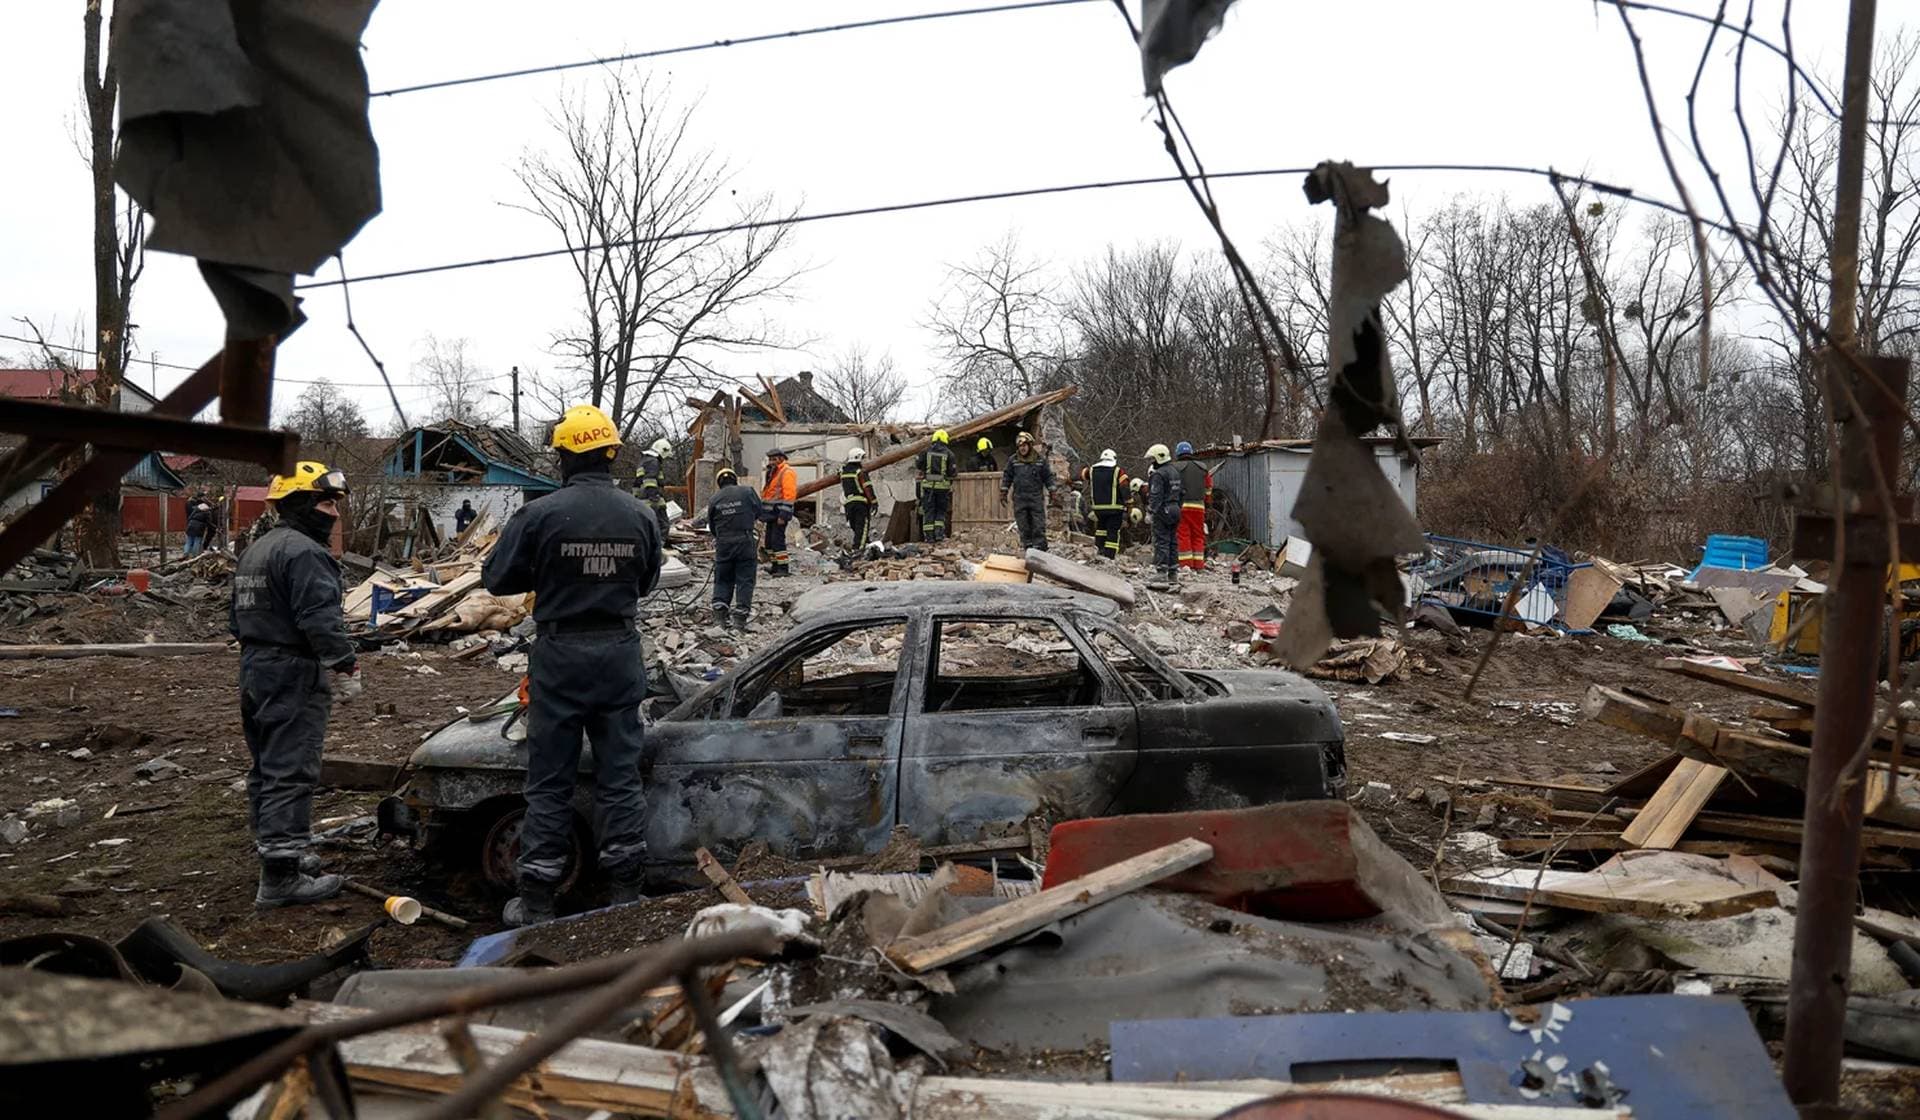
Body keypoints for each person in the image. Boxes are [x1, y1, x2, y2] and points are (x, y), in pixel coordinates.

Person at [482, 405, 663, 927]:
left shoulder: (540, 514)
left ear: (563, 455)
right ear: (611, 453)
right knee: (620, 775)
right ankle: (626, 892)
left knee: (550, 779)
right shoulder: (640, 514)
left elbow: (496, 579)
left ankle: (538, 896)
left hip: (561, 656)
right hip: (618, 653)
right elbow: (646, 582)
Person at [230, 461, 359, 909]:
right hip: (291, 670)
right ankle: (281, 876)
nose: (334, 514)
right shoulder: (306, 553)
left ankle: (275, 851)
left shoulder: (257, 549)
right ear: (301, 503)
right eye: (326, 502)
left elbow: (235, 619)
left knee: (266, 765)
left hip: (255, 665)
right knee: (291, 767)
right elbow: (319, 619)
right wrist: (344, 665)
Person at [704, 465, 763, 629]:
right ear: (734, 480)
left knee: (723, 578)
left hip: (724, 544)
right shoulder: (747, 491)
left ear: (719, 483)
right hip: (745, 541)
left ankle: (720, 617)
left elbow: (712, 525)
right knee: (745, 579)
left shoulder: (714, 499)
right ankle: (740, 618)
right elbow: (759, 511)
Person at [1001, 430, 1054, 552]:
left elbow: (1048, 477)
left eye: (1024, 445)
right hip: (1020, 498)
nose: (1022, 448)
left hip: (1035, 498)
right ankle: (1028, 547)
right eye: (1020, 446)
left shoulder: (1040, 460)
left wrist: (1053, 491)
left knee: (1038, 524)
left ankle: (1040, 548)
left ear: (1029, 445)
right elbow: (1007, 476)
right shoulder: (1013, 460)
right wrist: (1003, 491)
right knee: (1023, 525)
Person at [1145, 443, 1183, 590]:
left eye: (1153, 458)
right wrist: (1178, 507)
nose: (1152, 462)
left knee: (1161, 540)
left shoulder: (1158, 474)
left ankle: (1161, 572)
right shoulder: (1175, 471)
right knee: (1173, 541)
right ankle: (1173, 573)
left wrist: (1151, 511)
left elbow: (1156, 495)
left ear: (1158, 458)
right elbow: (1181, 492)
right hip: (1175, 509)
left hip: (1163, 510)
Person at [1081, 449, 1130, 562]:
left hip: (1098, 508)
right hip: (1114, 508)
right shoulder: (1118, 471)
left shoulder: (1092, 470)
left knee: (1100, 529)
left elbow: (1082, 475)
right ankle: (1109, 556)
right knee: (1112, 532)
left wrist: (1069, 479)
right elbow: (1124, 487)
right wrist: (1129, 503)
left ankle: (1099, 550)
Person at [1173, 441, 1212, 571]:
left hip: (1182, 506)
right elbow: (1208, 489)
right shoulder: (1203, 468)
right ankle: (1198, 565)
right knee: (1198, 535)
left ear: (1178, 453)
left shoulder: (1175, 468)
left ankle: (1186, 566)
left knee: (1183, 534)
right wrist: (1207, 503)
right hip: (1199, 507)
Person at [761, 447, 798, 575]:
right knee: (769, 542)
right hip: (771, 514)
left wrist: (783, 515)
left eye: (774, 459)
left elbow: (789, 495)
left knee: (777, 541)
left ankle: (783, 568)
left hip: (779, 513)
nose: (771, 462)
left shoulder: (786, 472)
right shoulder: (774, 472)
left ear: (781, 459)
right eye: (770, 459)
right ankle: (775, 566)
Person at [915, 430, 956, 542]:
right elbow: (952, 472)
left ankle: (928, 537)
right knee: (940, 511)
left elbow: (918, 464)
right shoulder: (949, 454)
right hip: (943, 488)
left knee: (928, 511)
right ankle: (939, 535)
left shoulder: (925, 452)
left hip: (928, 487)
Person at [840, 447, 877, 551]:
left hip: (848, 505)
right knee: (862, 527)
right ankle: (858, 551)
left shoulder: (843, 472)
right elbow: (867, 488)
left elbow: (839, 473)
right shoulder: (860, 472)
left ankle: (864, 543)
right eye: (862, 458)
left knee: (856, 528)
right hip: (861, 504)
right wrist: (874, 502)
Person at [634, 437, 672, 530]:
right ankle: (660, 544)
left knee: (647, 528)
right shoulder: (653, 462)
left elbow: (637, 483)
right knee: (663, 526)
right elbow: (650, 479)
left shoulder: (644, 461)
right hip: (652, 501)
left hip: (641, 500)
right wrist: (654, 497)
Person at [184, 491, 214, 556]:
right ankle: (194, 555)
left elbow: (190, 517)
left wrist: (189, 523)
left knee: (189, 541)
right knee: (197, 541)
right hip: (199, 528)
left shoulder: (195, 509)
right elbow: (209, 522)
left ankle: (186, 554)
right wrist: (214, 527)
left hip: (191, 525)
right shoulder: (207, 513)